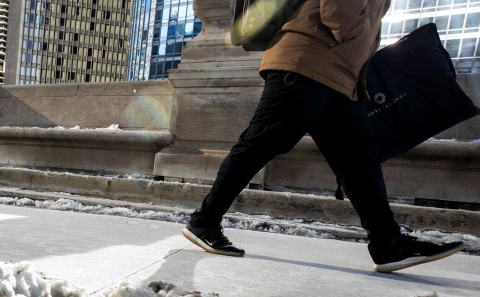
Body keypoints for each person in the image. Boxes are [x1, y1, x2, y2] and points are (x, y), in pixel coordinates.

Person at [182, 0, 463, 273]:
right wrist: (357, 37)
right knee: (262, 142)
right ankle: (204, 221)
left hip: (341, 75)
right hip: (307, 61)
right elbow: (339, 14)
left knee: (358, 160)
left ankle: (388, 242)